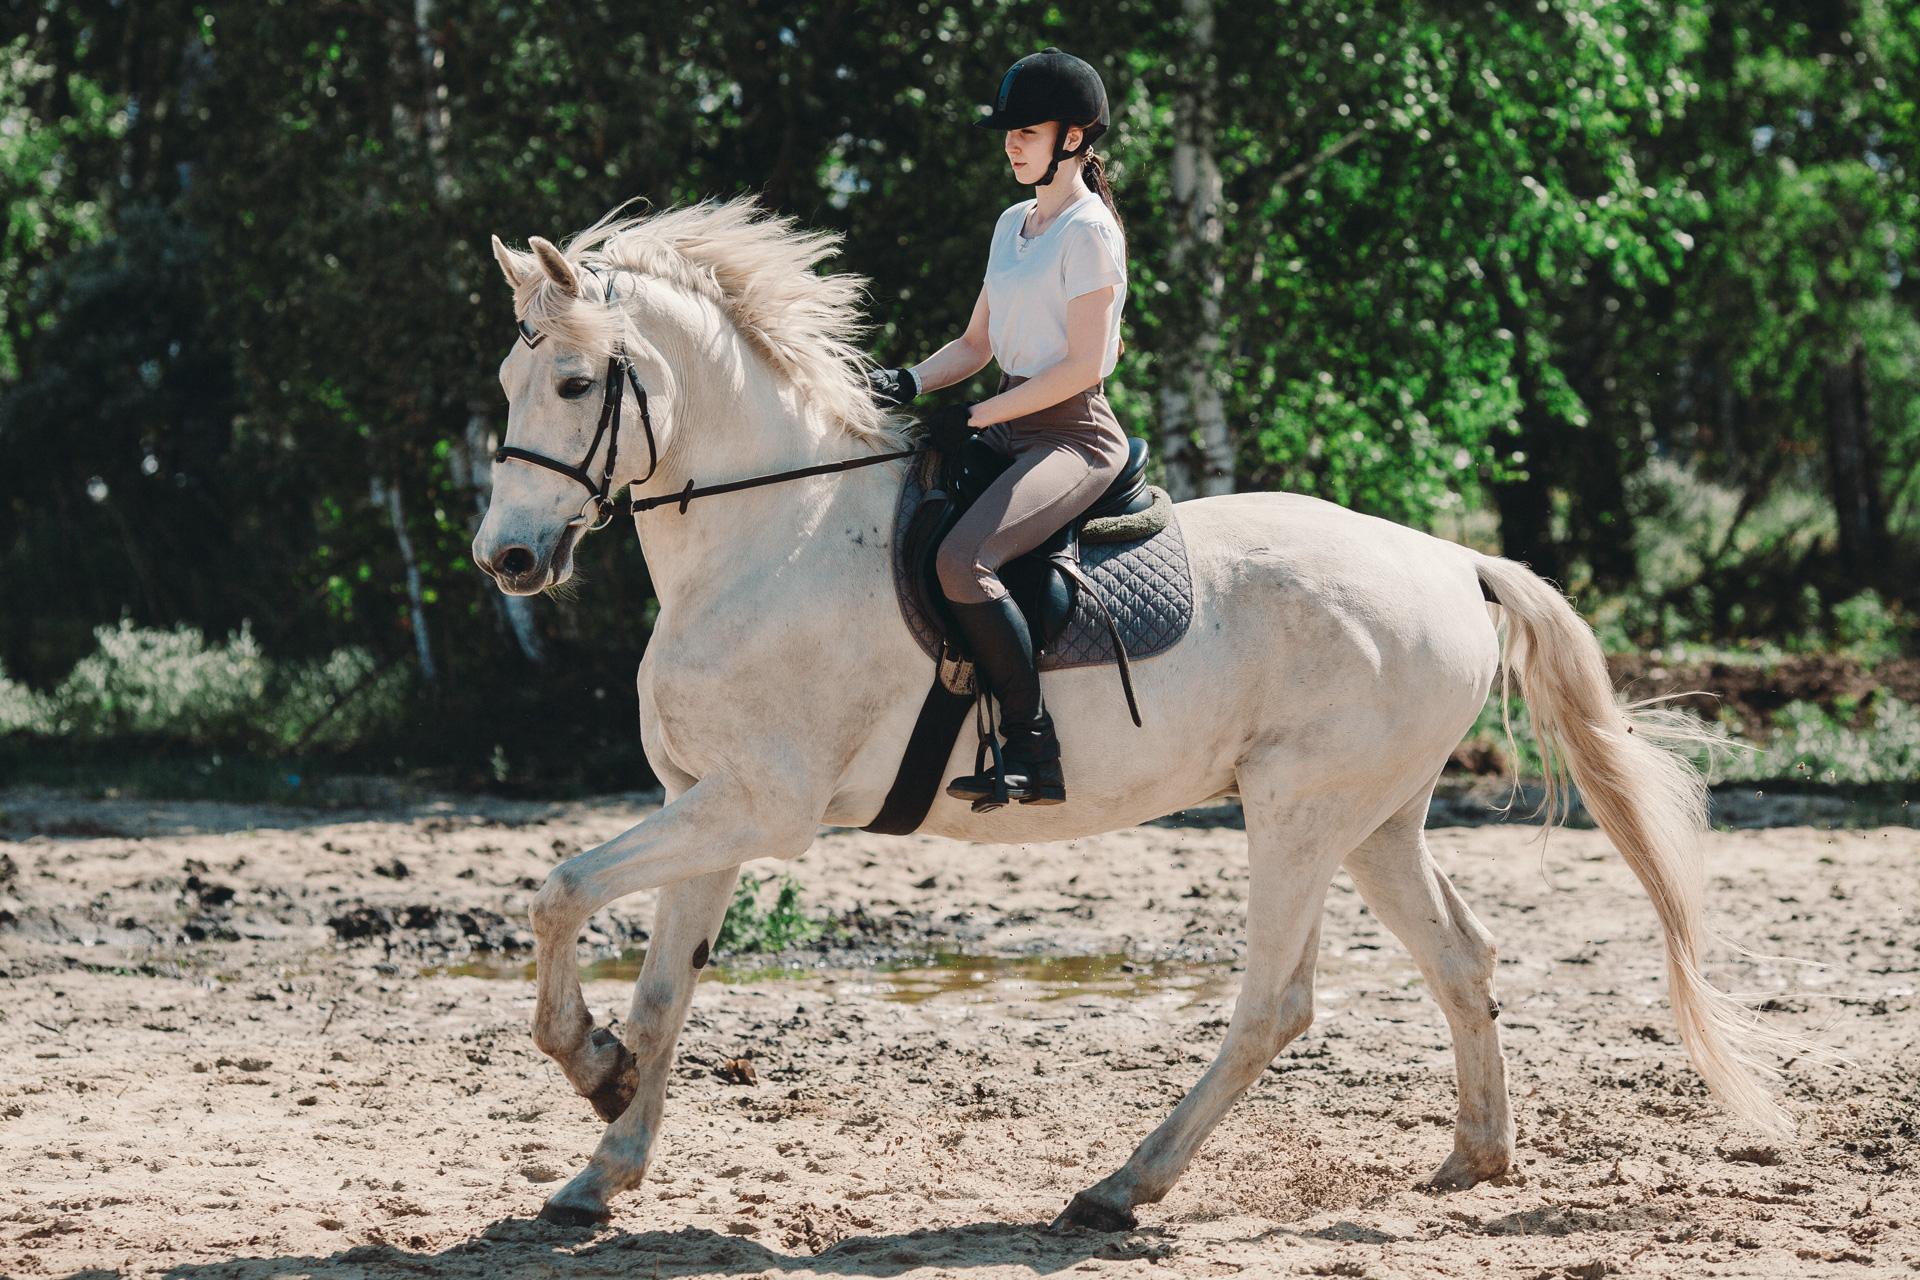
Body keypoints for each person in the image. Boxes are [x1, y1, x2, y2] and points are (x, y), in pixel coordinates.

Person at [868, 46, 1132, 810]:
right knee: (903, 516)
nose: (1011, 143)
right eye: (1007, 132)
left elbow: (1085, 366)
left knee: (962, 561)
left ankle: (1033, 751)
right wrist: (909, 381)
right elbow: (977, 345)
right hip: (1012, 420)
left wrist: (977, 414)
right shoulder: (1013, 223)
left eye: (1028, 130)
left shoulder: (1089, 232)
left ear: (1074, 138)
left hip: (1073, 437)